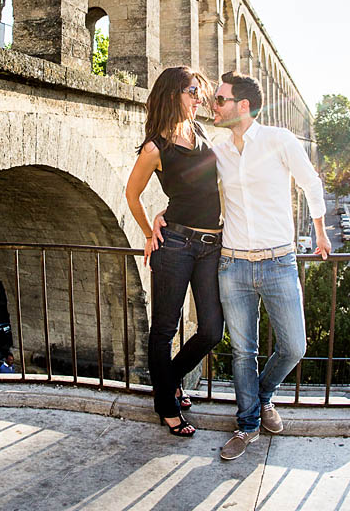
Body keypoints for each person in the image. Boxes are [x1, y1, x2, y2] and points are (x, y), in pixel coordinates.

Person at [155, 71, 328, 460]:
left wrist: (320, 230)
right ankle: (248, 423)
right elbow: (192, 192)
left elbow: (310, 183)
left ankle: (264, 396)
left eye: (219, 100)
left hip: (278, 260)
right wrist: (160, 215)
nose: (211, 105)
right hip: (232, 264)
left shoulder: (278, 140)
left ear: (242, 106)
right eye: (210, 99)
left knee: (294, 346)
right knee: (242, 352)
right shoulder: (217, 151)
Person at [125, 66, 224, 437]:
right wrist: (150, 231)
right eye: (193, 92)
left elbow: (207, 186)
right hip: (177, 245)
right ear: (173, 95)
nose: (200, 99)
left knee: (212, 330)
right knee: (164, 330)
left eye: (200, 93)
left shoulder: (198, 131)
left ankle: (169, 381)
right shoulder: (155, 147)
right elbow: (131, 195)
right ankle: (166, 404)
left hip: (211, 246)